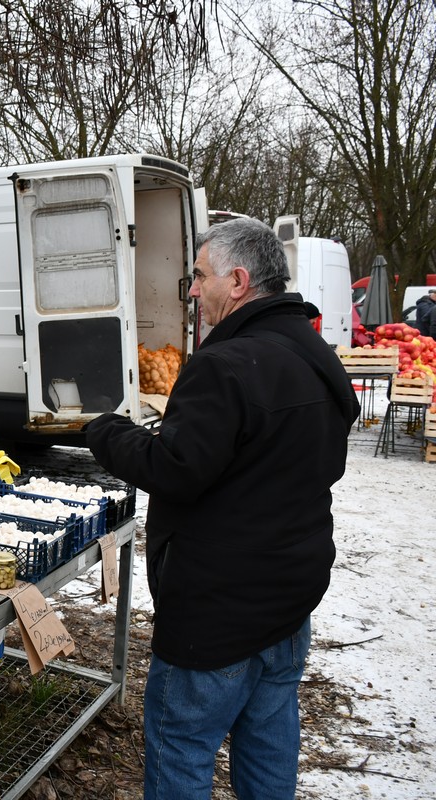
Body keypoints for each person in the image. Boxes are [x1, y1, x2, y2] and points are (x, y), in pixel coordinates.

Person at [83, 218, 360, 798]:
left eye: (199, 277)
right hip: (288, 600)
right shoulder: (315, 353)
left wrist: (107, 431)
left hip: (217, 612)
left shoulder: (223, 363)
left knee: (180, 745)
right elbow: (309, 459)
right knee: (268, 737)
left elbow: (173, 469)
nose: (190, 290)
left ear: (237, 281)